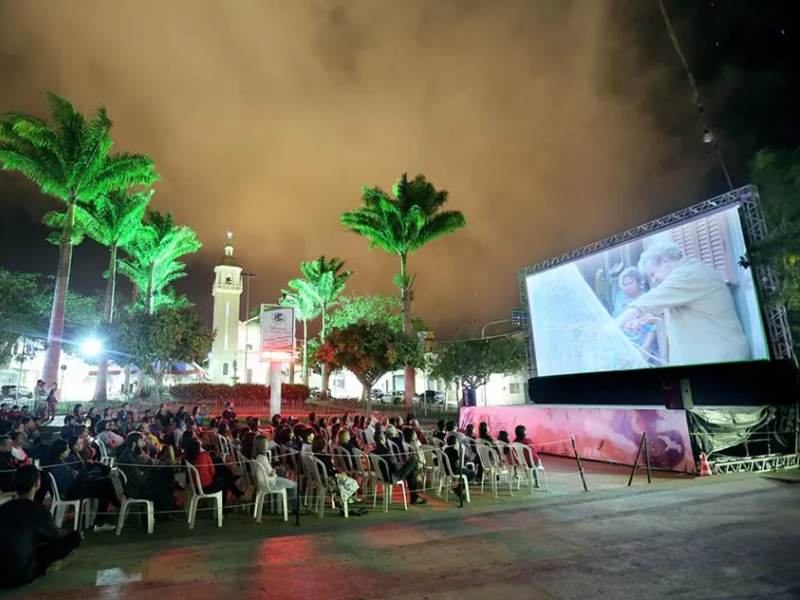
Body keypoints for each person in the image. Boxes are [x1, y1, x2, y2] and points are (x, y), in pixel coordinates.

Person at [616, 242, 749, 366]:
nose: (654, 279)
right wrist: (640, 321)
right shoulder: (686, 274)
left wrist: (613, 326)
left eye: (653, 273)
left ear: (665, 261)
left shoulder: (689, 273)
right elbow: (662, 308)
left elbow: (650, 300)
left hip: (721, 360)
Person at [0, 465, 82, 588]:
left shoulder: (3, 508)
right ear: (37, 483)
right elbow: (56, 536)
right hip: (21, 575)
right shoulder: (38, 511)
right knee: (75, 537)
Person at [116, 432, 176, 515]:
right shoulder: (128, 458)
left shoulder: (132, 453)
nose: (144, 443)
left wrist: (148, 466)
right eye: (142, 441)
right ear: (134, 443)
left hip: (136, 486)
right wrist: (148, 468)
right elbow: (140, 481)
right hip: (135, 491)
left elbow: (142, 467)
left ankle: (166, 509)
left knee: (165, 475)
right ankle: (165, 511)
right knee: (164, 486)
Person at [372, 431, 426, 505]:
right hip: (393, 476)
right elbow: (394, 466)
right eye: (384, 438)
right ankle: (414, 497)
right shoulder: (387, 451)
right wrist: (401, 465)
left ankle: (415, 497)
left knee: (411, 472)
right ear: (382, 439)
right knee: (414, 459)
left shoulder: (373, 452)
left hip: (382, 475)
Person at [252, 435, 297, 504]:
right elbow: (271, 473)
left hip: (264, 482)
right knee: (294, 485)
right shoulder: (262, 458)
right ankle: (295, 507)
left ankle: (289, 504)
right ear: (262, 446)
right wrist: (274, 470)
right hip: (270, 483)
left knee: (282, 475)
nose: (268, 444)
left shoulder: (257, 457)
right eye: (267, 443)